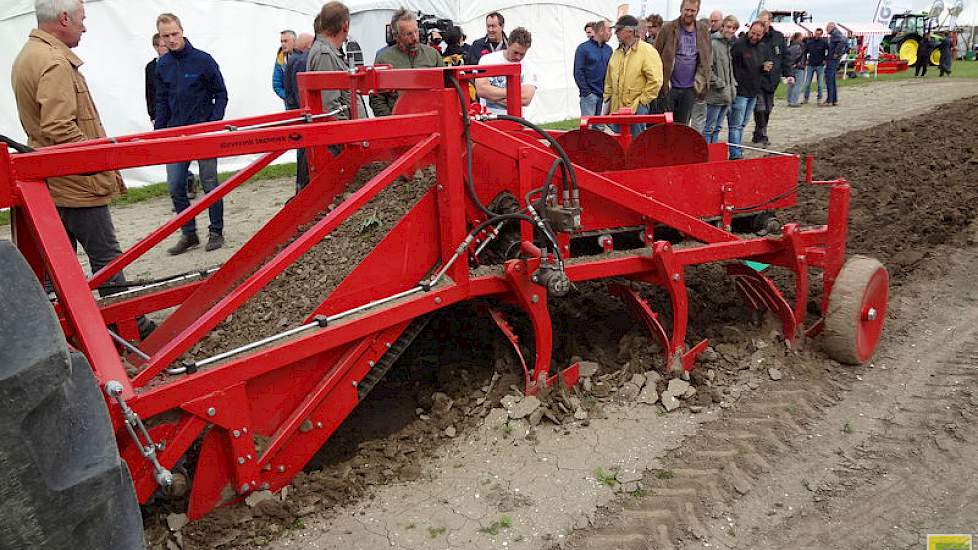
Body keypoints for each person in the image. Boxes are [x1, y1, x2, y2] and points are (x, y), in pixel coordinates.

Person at [12, 0, 155, 338]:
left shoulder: (29, 55)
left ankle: (60, 333)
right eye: (81, 20)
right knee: (107, 258)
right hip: (76, 181)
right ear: (63, 19)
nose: (85, 27)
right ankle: (127, 327)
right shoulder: (55, 61)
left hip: (52, 177)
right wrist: (99, 158)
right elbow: (59, 127)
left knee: (57, 265)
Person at [155, 12, 228, 255]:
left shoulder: (203, 60)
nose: (171, 39)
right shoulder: (162, 65)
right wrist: (159, 133)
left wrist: (213, 124)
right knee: (176, 185)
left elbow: (221, 93)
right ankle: (189, 233)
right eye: (166, 36)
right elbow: (162, 100)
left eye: (175, 34)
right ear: (160, 38)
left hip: (204, 132)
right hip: (176, 135)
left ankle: (216, 230)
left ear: (182, 31)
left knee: (210, 184)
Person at [370, 8, 445, 117]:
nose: (415, 38)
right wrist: (390, 121)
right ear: (396, 36)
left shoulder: (432, 55)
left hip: (431, 120)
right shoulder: (384, 60)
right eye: (408, 34)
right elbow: (377, 98)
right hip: (399, 122)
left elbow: (446, 88)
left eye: (416, 32)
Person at [603, 15, 663, 137]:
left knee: (637, 145)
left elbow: (656, 81)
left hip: (637, 110)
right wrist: (607, 100)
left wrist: (641, 102)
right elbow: (609, 80)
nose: (615, 33)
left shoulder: (647, 51)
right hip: (617, 110)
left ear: (630, 31)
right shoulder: (617, 53)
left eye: (619, 30)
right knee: (620, 145)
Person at [654, 0, 712, 126]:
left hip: (690, 88)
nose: (689, 13)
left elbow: (707, 58)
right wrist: (662, 79)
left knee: (683, 126)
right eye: (687, 10)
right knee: (665, 125)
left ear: (697, 11)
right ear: (681, 9)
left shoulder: (703, 30)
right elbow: (655, 55)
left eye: (693, 11)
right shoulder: (668, 28)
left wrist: (702, 81)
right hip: (669, 87)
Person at [307, 2, 366, 120]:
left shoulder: (328, 52)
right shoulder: (325, 54)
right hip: (346, 133)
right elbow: (329, 107)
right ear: (345, 25)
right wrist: (349, 132)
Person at [728, 21, 771, 160]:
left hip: (754, 91)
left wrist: (764, 68)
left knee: (743, 124)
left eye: (758, 35)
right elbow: (731, 67)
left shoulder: (762, 48)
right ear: (749, 30)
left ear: (763, 35)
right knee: (735, 125)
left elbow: (761, 66)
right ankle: (735, 153)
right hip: (740, 91)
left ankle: (737, 150)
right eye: (753, 33)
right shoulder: (739, 45)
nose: (754, 36)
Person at [475, 27, 538, 115]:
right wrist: (515, 93)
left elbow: (526, 99)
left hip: (516, 120)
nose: (518, 57)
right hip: (488, 120)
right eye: (515, 52)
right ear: (508, 44)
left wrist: (493, 97)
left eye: (522, 54)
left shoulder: (528, 66)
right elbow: (482, 90)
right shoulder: (488, 60)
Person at [752, 10, 791, 145]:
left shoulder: (778, 37)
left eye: (765, 21)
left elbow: (785, 56)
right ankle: (762, 133)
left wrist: (788, 73)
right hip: (758, 78)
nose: (762, 24)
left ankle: (759, 131)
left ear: (770, 21)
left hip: (773, 79)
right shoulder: (756, 36)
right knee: (760, 107)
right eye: (760, 21)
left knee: (768, 108)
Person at [284, 32, 314, 193]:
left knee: (301, 151)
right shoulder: (301, 61)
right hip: (301, 112)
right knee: (304, 153)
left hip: (295, 110)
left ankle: (301, 186)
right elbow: (299, 91)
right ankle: (302, 188)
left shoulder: (292, 60)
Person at [702, 15, 738, 144]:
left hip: (726, 94)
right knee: (709, 128)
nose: (731, 30)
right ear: (722, 27)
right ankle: (707, 155)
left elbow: (729, 69)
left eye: (734, 28)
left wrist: (732, 85)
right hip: (715, 94)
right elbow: (706, 69)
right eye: (729, 27)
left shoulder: (727, 45)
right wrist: (720, 84)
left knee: (717, 128)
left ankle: (714, 154)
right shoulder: (714, 44)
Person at [573, 20, 612, 121]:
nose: (611, 33)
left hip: (604, 96)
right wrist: (587, 92)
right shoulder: (583, 49)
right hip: (589, 96)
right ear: (601, 31)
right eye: (609, 30)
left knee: (601, 128)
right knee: (588, 129)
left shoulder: (609, 50)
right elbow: (578, 72)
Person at [145, 33, 168, 123]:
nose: (167, 49)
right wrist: (152, 115)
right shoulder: (151, 67)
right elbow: (149, 92)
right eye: (164, 46)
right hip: (160, 113)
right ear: (156, 47)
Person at [803, 28, 829, 104]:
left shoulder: (824, 42)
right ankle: (806, 98)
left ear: (821, 34)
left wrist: (825, 59)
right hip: (810, 64)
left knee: (820, 84)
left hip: (820, 65)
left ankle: (819, 98)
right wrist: (805, 60)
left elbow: (828, 51)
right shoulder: (810, 42)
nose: (816, 35)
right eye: (816, 33)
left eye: (818, 34)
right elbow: (805, 52)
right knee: (807, 83)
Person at [825, 22, 847, 106]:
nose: (826, 29)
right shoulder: (835, 34)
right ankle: (834, 99)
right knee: (832, 79)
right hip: (833, 59)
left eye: (827, 27)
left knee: (829, 79)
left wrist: (836, 53)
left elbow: (843, 41)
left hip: (832, 59)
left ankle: (830, 100)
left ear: (832, 27)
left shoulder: (835, 33)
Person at [273, 30, 296, 104]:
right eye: (281, 41)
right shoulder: (280, 60)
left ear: (294, 41)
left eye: (286, 41)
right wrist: (288, 97)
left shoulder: (303, 56)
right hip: (290, 104)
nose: (283, 44)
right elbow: (276, 85)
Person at [785, 32, 806, 107]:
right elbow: (797, 56)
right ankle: (793, 101)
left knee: (791, 84)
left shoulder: (791, 45)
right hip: (798, 66)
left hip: (791, 67)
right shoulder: (800, 45)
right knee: (798, 85)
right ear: (799, 37)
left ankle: (789, 99)